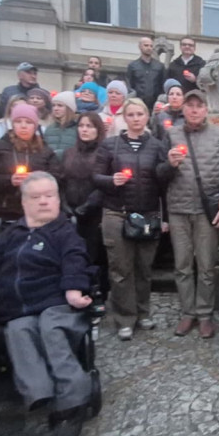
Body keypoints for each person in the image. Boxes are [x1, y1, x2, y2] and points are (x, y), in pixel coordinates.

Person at [0, 172, 94, 436]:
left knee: (50, 326)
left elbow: (76, 260)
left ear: (58, 200)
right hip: (18, 305)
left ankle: (71, 401)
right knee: (18, 329)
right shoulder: (10, 234)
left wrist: (73, 288)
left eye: (49, 196)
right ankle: (39, 393)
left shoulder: (64, 232)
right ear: (24, 203)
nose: (44, 202)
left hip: (56, 301)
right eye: (36, 197)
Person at [159, 90, 219, 338]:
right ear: (183, 109)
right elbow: (158, 174)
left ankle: (204, 314)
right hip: (178, 209)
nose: (194, 110)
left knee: (206, 266)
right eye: (189, 105)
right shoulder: (170, 134)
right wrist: (168, 165)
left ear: (206, 110)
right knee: (182, 266)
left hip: (207, 211)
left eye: (198, 105)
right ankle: (187, 313)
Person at [94, 98, 169, 340]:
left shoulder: (157, 146)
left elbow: (163, 183)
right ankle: (125, 317)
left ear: (147, 116)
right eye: (131, 114)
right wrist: (110, 180)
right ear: (124, 118)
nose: (136, 118)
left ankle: (143, 312)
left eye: (140, 114)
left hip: (147, 214)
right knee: (121, 269)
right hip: (117, 212)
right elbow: (95, 176)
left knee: (144, 268)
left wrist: (172, 166)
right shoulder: (110, 145)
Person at [0, 103, 61, 233]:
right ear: (13, 124)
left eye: (28, 122)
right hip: (3, 211)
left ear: (35, 126)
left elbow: (57, 176)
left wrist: (36, 181)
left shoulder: (45, 150)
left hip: (36, 212)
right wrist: (9, 180)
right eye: (19, 121)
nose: (23, 126)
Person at [61, 112, 107, 289]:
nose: (84, 130)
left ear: (98, 129)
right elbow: (61, 180)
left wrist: (87, 206)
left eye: (89, 126)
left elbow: (103, 183)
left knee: (94, 255)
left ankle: (97, 292)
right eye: (81, 126)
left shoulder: (104, 152)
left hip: (94, 213)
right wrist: (64, 204)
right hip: (70, 211)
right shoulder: (69, 153)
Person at [126, 36, 166, 102]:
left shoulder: (160, 66)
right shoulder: (133, 66)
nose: (149, 48)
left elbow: (162, 86)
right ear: (140, 47)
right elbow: (130, 86)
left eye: (151, 46)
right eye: (146, 45)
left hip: (155, 103)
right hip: (138, 102)